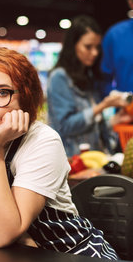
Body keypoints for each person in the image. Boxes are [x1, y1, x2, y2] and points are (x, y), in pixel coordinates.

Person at [0, 47, 118, 260]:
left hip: (73, 259)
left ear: (25, 96)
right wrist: (13, 235)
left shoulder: (44, 141)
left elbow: (3, 236)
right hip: (17, 259)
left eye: (1, 92)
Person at [47, 15, 125, 157]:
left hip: (95, 160)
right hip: (73, 163)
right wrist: (101, 106)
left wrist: (115, 120)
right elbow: (64, 126)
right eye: (88, 47)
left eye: (97, 47)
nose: (94, 53)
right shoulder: (59, 77)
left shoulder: (88, 76)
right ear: (73, 45)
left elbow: (91, 127)